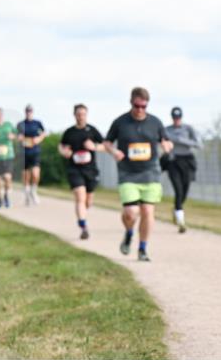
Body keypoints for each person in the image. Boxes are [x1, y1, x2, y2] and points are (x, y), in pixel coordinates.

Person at [104, 88, 172, 262]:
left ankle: (142, 248)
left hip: (150, 172)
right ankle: (128, 233)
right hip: (128, 173)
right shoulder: (120, 122)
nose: (140, 109)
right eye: (137, 105)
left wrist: (167, 146)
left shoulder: (155, 122)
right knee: (131, 212)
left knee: (148, 211)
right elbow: (107, 143)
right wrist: (114, 151)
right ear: (131, 103)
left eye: (143, 106)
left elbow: (165, 140)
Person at [59, 104, 104, 240]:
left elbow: (105, 146)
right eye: (78, 114)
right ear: (74, 115)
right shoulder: (69, 132)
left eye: (83, 114)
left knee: (88, 201)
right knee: (80, 197)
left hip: (90, 170)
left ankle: (82, 215)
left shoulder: (92, 130)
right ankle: (83, 227)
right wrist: (64, 152)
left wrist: (94, 146)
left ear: (86, 115)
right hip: (75, 169)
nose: (81, 117)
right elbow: (61, 146)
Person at [163, 106, 200, 233]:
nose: (176, 120)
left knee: (184, 190)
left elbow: (199, 144)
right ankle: (181, 222)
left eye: (178, 118)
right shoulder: (167, 130)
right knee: (178, 190)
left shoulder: (188, 129)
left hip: (187, 161)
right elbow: (162, 143)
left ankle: (177, 209)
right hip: (173, 162)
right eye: (174, 118)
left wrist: (181, 140)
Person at [17, 104, 45, 205]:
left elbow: (43, 133)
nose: (29, 113)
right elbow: (17, 135)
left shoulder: (37, 123)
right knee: (25, 175)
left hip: (35, 151)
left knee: (35, 174)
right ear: (25, 112)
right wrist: (19, 138)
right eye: (27, 111)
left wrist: (39, 139)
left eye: (30, 111)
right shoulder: (20, 124)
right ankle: (27, 193)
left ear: (32, 112)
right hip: (24, 152)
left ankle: (34, 191)